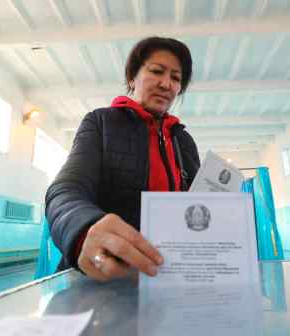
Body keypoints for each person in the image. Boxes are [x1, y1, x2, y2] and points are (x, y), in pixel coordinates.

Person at [45, 37, 200, 282]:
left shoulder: (185, 142)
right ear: (131, 77)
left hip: (168, 275)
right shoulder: (100, 123)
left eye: (176, 78)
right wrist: (84, 229)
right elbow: (66, 190)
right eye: (157, 71)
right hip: (104, 276)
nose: (166, 83)